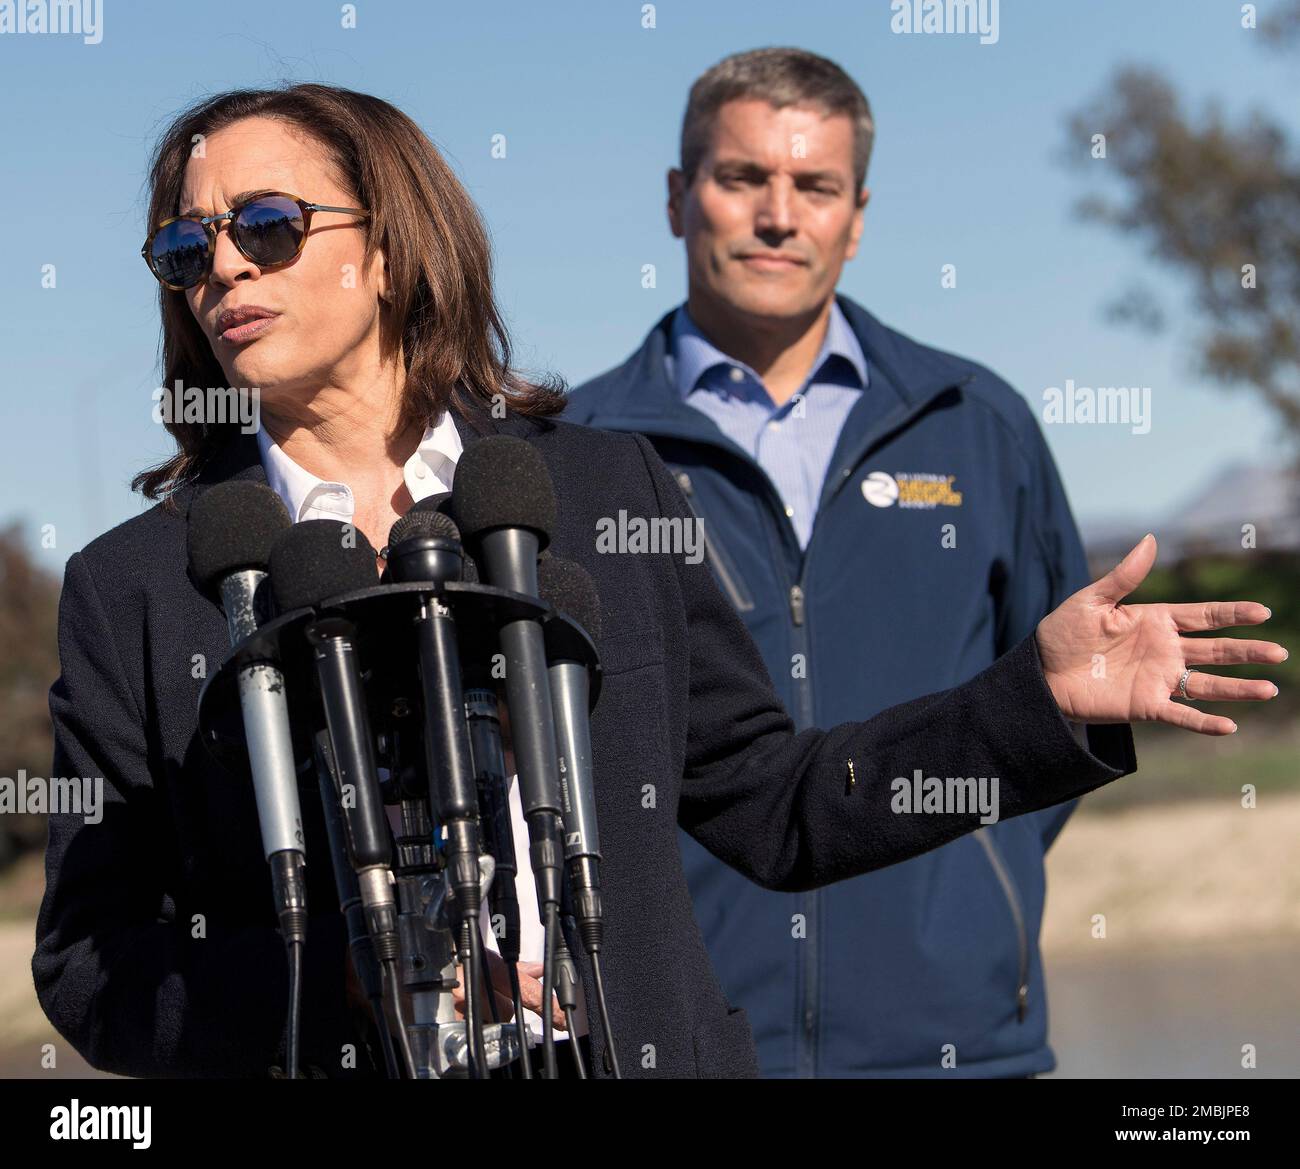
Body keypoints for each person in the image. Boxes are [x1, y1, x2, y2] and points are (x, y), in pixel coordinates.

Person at [32, 83, 1283, 1079]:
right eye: (185, 247)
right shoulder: (136, 586)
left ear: (393, 247)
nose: (225, 273)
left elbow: (773, 799)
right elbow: (92, 958)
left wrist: (1039, 704)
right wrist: (340, 982)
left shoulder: (601, 491)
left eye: (267, 226)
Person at [563, 47, 1102, 1077]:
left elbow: (1048, 709)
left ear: (855, 217)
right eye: (740, 179)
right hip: (678, 1046)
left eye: (814, 186)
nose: (779, 215)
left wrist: (957, 905)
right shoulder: (578, 453)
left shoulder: (975, 425)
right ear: (679, 200)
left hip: (958, 1043)